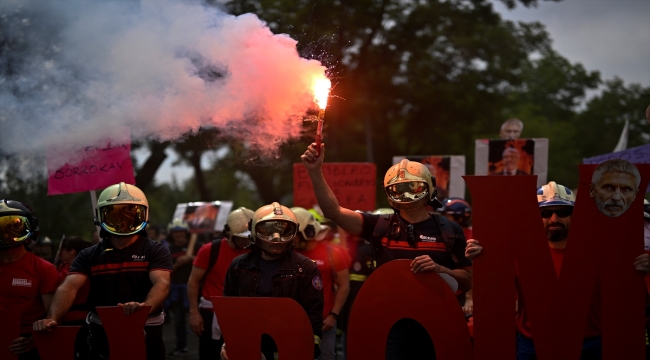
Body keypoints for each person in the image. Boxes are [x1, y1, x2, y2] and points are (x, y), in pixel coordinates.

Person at [302, 144, 472, 359]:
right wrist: (315, 171)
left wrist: (440, 270)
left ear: (429, 188)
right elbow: (332, 212)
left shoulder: (449, 230)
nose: (406, 194)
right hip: (392, 324)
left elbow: (469, 280)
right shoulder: (379, 225)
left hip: (438, 322)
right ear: (388, 193)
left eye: (414, 187)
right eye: (398, 188)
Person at [465, 181, 650, 359]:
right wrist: (483, 258)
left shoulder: (599, 251)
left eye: (562, 212)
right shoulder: (516, 253)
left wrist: (642, 269)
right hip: (533, 344)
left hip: (589, 344)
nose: (554, 219)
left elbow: (626, 295)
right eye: (545, 213)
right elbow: (493, 291)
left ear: (573, 214)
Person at [32, 182, 172, 360]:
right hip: (101, 330)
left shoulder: (155, 250)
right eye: (114, 214)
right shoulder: (89, 254)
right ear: (101, 217)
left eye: (129, 214)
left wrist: (144, 307)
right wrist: (52, 318)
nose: (123, 221)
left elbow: (162, 283)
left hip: (145, 326)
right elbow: (69, 287)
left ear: (143, 215)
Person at [221, 202, 324, 360]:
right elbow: (230, 310)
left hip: (289, 346)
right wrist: (228, 343)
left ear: (294, 231)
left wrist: (309, 349)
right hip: (250, 345)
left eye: (284, 231)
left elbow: (313, 315)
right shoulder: (239, 266)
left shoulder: (305, 268)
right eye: (267, 231)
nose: (276, 238)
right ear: (254, 230)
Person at [188, 207, 253, 360]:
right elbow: (193, 281)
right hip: (211, 315)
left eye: (249, 237)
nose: (246, 241)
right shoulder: (210, 250)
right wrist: (194, 313)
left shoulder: (255, 252)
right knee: (209, 355)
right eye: (242, 237)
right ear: (229, 233)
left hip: (244, 314)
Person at [0, 199, 59, 360]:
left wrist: (33, 340)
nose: (6, 234)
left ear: (30, 228)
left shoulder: (43, 269)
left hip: (27, 346)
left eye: (14, 226)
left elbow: (52, 317)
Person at [291, 207, 350, 360]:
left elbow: (344, 285)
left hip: (325, 325)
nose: (291, 239)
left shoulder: (332, 253)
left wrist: (334, 315)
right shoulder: (287, 255)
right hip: (293, 324)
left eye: (295, 235)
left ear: (308, 232)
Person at [165, 218, 195, 356]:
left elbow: (205, 263)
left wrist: (192, 258)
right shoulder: (167, 250)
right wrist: (178, 263)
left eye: (181, 231)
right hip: (176, 290)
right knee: (178, 320)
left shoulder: (196, 245)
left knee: (199, 318)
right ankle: (181, 347)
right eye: (175, 232)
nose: (178, 234)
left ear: (186, 232)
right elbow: (166, 271)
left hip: (194, 288)